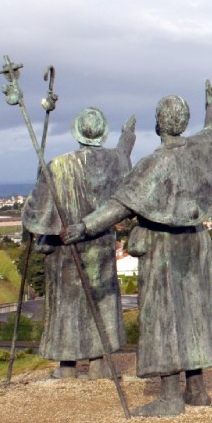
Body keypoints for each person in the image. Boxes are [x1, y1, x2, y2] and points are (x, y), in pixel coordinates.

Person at [64, 81, 212, 417]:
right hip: (196, 242)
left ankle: (169, 397)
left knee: (164, 316)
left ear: (157, 126)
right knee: (194, 313)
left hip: (163, 247)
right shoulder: (202, 148)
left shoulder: (155, 164)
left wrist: (84, 227)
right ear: (184, 123)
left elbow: (118, 206)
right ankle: (196, 389)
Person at [22, 108, 135, 379]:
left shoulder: (58, 166)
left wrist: (41, 176)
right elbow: (123, 156)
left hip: (65, 247)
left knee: (66, 305)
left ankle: (67, 366)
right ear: (102, 133)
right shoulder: (116, 161)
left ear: (77, 132)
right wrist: (127, 136)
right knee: (102, 302)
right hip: (101, 243)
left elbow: (36, 216)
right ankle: (100, 362)